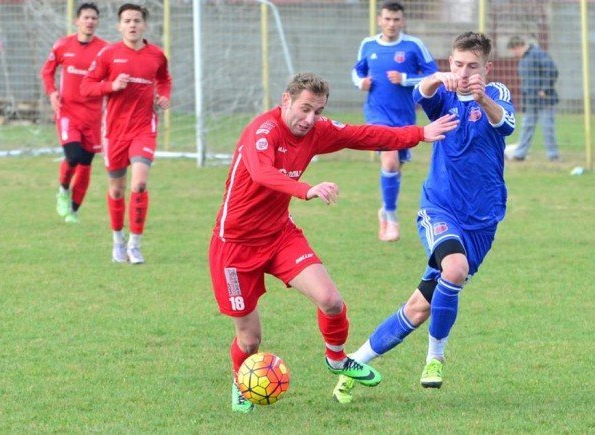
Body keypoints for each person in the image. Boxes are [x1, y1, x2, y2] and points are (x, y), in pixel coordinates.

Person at [209, 72, 459, 413]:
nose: (310, 119)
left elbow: (364, 134)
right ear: (286, 100)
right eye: (304, 109)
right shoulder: (262, 132)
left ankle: (338, 360)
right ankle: (242, 381)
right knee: (250, 338)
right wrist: (305, 189)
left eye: (318, 111)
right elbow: (261, 173)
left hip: (279, 235)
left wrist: (418, 134)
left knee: (331, 301)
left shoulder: (316, 130)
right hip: (234, 245)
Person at [332, 32, 516, 403]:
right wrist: (434, 78)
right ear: (450, 62)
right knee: (454, 269)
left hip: (482, 218)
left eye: (473, 66)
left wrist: (482, 98)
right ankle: (435, 358)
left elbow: (506, 124)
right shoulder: (444, 94)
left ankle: (354, 363)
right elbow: (422, 96)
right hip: (440, 208)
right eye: (458, 65)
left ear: (487, 68)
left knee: (418, 308)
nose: (464, 73)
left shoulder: (496, 94)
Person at [81, 3, 172, 264]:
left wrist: (164, 96)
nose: (132, 25)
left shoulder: (156, 55)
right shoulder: (109, 54)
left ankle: (135, 244)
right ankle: (118, 241)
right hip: (114, 133)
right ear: (119, 26)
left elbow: (164, 80)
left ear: (144, 25)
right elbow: (87, 86)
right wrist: (112, 85)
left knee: (140, 183)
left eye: (137, 20)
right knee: (118, 189)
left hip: (144, 129)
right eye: (127, 21)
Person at [352, 1, 438, 242]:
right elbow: (356, 71)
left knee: (395, 167)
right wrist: (361, 83)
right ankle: (390, 217)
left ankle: (385, 208)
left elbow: (433, 75)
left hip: (404, 116)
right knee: (389, 162)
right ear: (380, 20)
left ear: (403, 21)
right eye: (387, 19)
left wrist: (406, 78)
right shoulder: (368, 45)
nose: (391, 24)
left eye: (396, 19)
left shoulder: (413, 45)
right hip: (376, 114)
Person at [41, 3, 108, 223]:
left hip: (93, 115)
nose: (90, 21)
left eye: (94, 18)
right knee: (73, 156)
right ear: (77, 21)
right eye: (86, 17)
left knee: (86, 163)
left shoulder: (105, 50)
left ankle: (74, 209)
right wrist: (52, 93)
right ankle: (62, 190)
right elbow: (47, 72)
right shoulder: (63, 45)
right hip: (67, 111)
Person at [505, 36, 559, 161]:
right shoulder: (524, 58)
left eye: (514, 50)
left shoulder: (538, 53)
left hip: (544, 99)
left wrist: (544, 89)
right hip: (530, 100)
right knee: (526, 126)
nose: (514, 54)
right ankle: (519, 154)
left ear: (518, 46)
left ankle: (553, 155)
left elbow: (552, 70)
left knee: (547, 127)